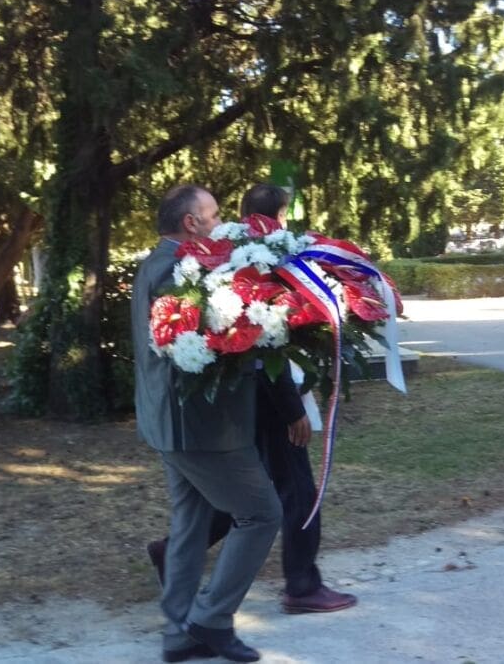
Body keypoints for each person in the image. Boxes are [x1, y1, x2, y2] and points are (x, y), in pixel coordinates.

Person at [147, 183, 358, 615]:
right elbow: (264, 343)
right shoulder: (245, 263)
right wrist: (292, 408)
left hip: (243, 400)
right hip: (266, 396)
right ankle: (301, 584)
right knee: (295, 490)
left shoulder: (227, 254)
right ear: (278, 215)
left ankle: (173, 551)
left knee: (250, 492)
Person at [132, 184, 283, 663]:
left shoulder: (157, 263)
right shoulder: (178, 270)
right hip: (201, 428)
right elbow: (202, 344)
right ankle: (211, 619)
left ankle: (180, 633)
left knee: (191, 525)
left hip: (172, 424)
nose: (222, 223)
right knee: (262, 515)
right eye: (214, 215)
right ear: (191, 223)